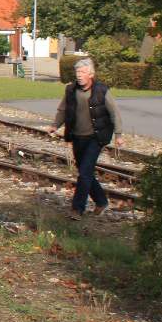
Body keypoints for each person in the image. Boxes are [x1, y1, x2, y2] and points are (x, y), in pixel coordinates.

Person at [46, 57, 125, 219]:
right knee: (85, 172)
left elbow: (114, 113)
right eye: (77, 72)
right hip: (77, 136)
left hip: (96, 137)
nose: (79, 75)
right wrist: (55, 125)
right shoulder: (70, 90)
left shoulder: (102, 90)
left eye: (82, 72)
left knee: (84, 173)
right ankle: (102, 201)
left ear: (91, 74)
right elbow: (63, 110)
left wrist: (118, 135)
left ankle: (77, 209)